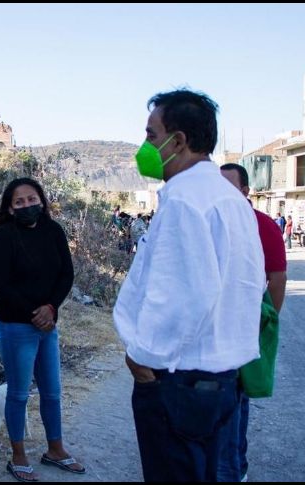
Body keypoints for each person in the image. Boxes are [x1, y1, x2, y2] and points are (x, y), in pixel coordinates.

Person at [113, 89, 265, 482]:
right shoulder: (230, 200)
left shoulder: (185, 201)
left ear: (177, 141)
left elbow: (184, 296)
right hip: (220, 382)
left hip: (178, 382)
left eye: (151, 134)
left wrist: (142, 357)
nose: (145, 145)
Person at [0, 177, 83, 482]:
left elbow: (66, 273)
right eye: (19, 202)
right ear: (10, 208)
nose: (27, 205)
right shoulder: (3, 236)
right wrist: (35, 313)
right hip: (16, 325)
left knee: (52, 392)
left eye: (32, 199)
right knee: (18, 393)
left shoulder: (53, 231)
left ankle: (55, 449)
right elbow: (1, 284)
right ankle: (18, 457)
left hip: (48, 323)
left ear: (41, 200)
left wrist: (52, 308)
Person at [220, 163, 288, 482]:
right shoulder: (213, 222)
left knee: (237, 401)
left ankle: (237, 467)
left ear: (246, 191)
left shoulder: (262, 225)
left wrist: (264, 319)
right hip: (210, 335)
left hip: (243, 331)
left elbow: (276, 278)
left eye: (228, 185)